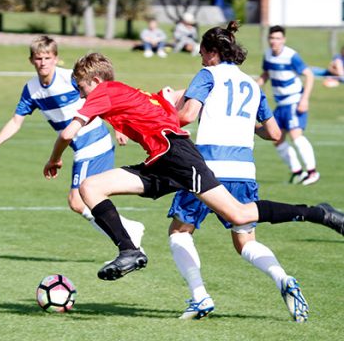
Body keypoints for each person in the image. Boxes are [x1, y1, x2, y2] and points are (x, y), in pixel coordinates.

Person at [42, 51, 343, 283]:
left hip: (178, 156)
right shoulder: (130, 93)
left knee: (239, 213)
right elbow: (161, 103)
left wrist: (55, 158)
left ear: (95, 81)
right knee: (91, 187)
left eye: (80, 86)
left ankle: (319, 212)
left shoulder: (105, 92)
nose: (80, 93)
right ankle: (129, 250)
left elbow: (68, 133)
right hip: (161, 161)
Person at [166, 22, 308, 322]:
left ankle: (199, 296)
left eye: (203, 54)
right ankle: (283, 278)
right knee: (245, 242)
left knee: (180, 231)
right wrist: (245, 125)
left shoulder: (208, 75)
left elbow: (187, 116)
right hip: (243, 171)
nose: (202, 60)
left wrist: (165, 110)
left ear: (214, 53)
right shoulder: (252, 85)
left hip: (206, 169)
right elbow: (273, 133)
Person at [0, 35, 145, 249]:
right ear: (31, 60)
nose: (43, 63)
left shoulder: (70, 78)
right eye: (38, 58)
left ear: (56, 58)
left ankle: (128, 240)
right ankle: (128, 233)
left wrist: (118, 126)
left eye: (47, 57)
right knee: (81, 201)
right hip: (79, 148)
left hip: (94, 142)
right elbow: (16, 120)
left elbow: (105, 94)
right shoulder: (31, 89)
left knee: (78, 201)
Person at [257, 25, 319, 185]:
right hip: (280, 105)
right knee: (276, 138)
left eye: (278, 38)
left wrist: (304, 99)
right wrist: (255, 88)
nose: (274, 41)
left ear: (283, 39)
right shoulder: (268, 55)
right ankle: (298, 171)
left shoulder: (291, 56)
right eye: (272, 38)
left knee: (296, 137)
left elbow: (309, 75)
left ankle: (312, 172)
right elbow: (266, 74)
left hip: (294, 102)